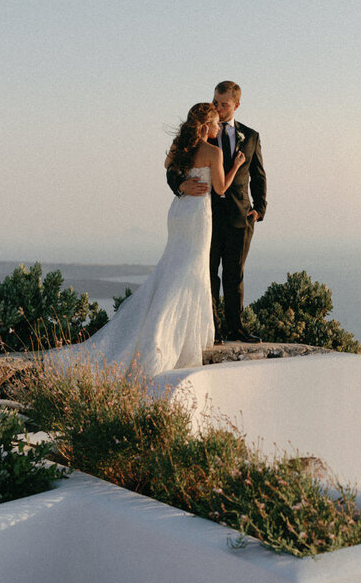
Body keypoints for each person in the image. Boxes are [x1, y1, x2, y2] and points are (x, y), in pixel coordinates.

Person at [49, 103, 243, 377]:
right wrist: (235, 166)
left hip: (179, 212)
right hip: (199, 215)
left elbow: (168, 166)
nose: (218, 127)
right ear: (205, 125)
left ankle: (161, 324)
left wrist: (181, 183)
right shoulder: (214, 151)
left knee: (173, 265)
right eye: (214, 123)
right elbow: (221, 188)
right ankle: (171, 334)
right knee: (191, 269)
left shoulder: (181, 146)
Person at [167, 80, 267, 344]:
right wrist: (180, 185)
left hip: (240, 217)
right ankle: (212, 330)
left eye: (224, 104)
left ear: (236, 105)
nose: (219, 108)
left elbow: (258, 175)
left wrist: (259, 209)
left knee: (235, 275)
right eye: (215, 103)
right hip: (205, 216)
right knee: (208, 273)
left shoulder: (251, 136)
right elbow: (171, 168)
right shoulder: (198, 135)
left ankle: (236, 328)